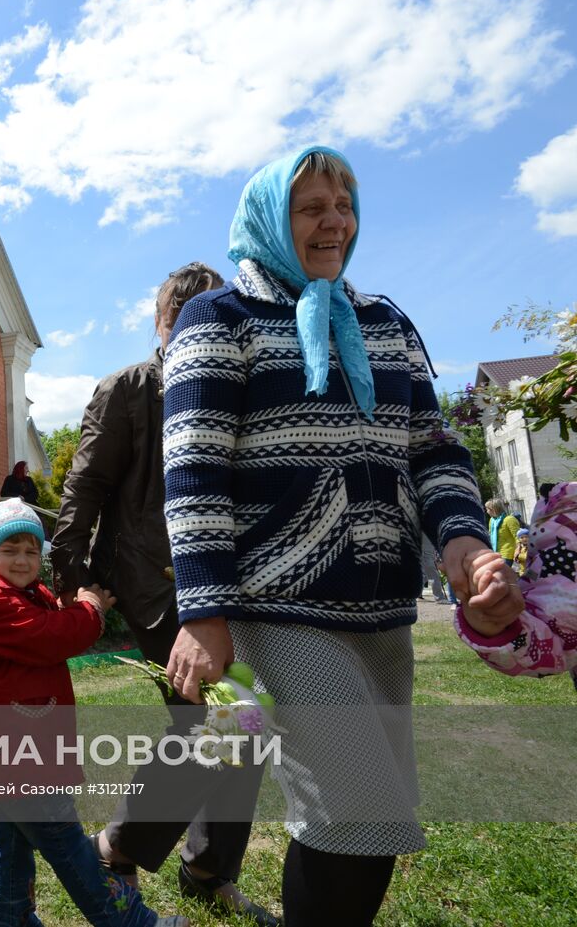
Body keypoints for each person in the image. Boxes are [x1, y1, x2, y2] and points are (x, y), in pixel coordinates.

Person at [160, 146, 522, 925]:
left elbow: (433, 445)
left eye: (345, 203)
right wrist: (204, 609)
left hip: (380, 605)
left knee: (376, 814)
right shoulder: (217, 318)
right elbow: (193, 469)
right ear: (269, 221)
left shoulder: (386, 320)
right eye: (311, 206)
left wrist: (463, 542)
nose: (335, 221)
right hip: (276, 605)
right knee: (355, 806)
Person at [51, 262, 277, 925]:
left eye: (214, 311)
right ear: (163, 321)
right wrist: (74, 576)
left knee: (242, 724)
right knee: (225, 715)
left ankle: (208, 868)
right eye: (187, 312)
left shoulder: (236, 386)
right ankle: (117, 847)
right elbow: (84, 485)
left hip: (229, 581)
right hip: (155, 581)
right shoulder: (127, 388)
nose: (201, 324)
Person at [0, 498, 186, 927]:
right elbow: (52, 636)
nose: (23, 559)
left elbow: (49, 617)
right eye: (10, 549)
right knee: (67, 844)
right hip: (17, 756)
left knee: (12, 839)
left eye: (32, 550)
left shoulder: (19, 594)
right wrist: (90, 609)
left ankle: (7, 917)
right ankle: (128, 921)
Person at [457, 481, 577, 677]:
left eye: (489, 508)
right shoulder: (568, 514)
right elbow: (554, 634)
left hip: (508, 552)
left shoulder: (509, 520)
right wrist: (494, 617)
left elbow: (517, 536)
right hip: (502, 555)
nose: (487, 511)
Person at [485, 499, 522, 567]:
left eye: (488, 509)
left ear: (494, 509)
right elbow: (490, 535)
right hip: (495, 552)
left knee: (501, 575)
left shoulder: (509, 519)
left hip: (507, 554)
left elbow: (519, 536)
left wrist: (518, 549)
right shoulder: (492, 520)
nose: (487, 512)